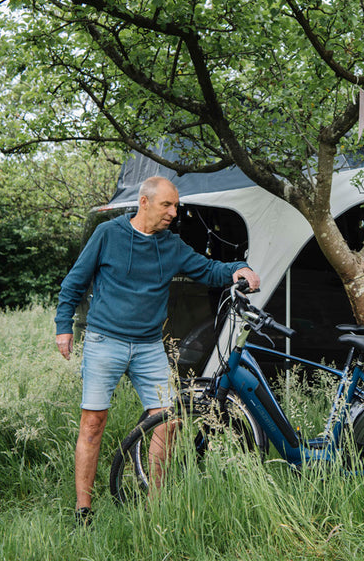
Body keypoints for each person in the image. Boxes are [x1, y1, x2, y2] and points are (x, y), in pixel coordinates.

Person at [55, 176, 260, 525]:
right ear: (145, 202)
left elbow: (208, 269)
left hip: (149, 345)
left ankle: (155, 503)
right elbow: (75, 281)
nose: (174, 212)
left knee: (169, 420)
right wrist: (64, 327)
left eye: (175, 205)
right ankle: (83, 509)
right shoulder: (108, 234)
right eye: (167, 205)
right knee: (93, 423)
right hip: (105, 340)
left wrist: (237, 268)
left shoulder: (172, 245)